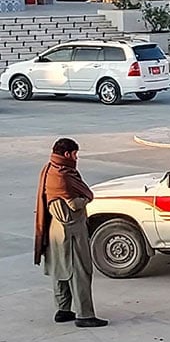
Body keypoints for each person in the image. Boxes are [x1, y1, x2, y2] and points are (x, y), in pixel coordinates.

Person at [35, 138, 108, 327]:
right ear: (67, 154)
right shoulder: (64, 174)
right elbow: (87, 195)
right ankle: (85, 316)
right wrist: (81, 201)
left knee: (60, 269)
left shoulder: (49, 169)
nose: (77, 157)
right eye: (75, 153)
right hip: (71, 229)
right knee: (80, 271)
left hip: (55, 229)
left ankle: (63, 310)